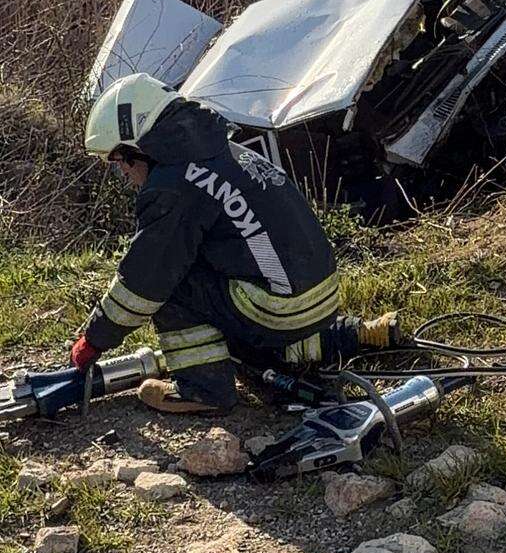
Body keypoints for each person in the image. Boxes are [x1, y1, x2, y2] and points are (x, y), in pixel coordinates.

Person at [70, 74, 398, 414]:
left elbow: (145, 280)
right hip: (319, 296)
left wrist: (94, 339)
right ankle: (358, 334)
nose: (122, 171)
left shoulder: (173, 184)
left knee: (171, 280)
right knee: (245, 339)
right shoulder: (219, 150)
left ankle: (202, 390)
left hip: (278, 307)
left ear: (140, 147)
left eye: (119, 159)